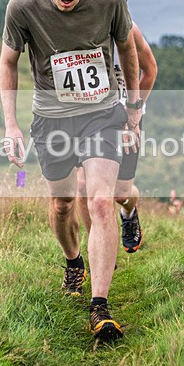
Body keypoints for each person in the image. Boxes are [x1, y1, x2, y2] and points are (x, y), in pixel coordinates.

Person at [0, 0, 142, 342]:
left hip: (101, 114)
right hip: (52, 119)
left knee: (99, 201)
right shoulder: (22, 5)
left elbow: (127, 50)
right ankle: (73, 260)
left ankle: (100, 307)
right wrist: (10, 126)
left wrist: (132, 109)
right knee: (62, 205)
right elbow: (7, 63)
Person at [77, 14, 157, 254]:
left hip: (125, 117)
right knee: (83, 186)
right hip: (87, 118)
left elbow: (150, 71)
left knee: (120, 193)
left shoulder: (128, 29)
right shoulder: (71, 30)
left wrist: (133, 115)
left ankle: (129, 211)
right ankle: (99, 249)